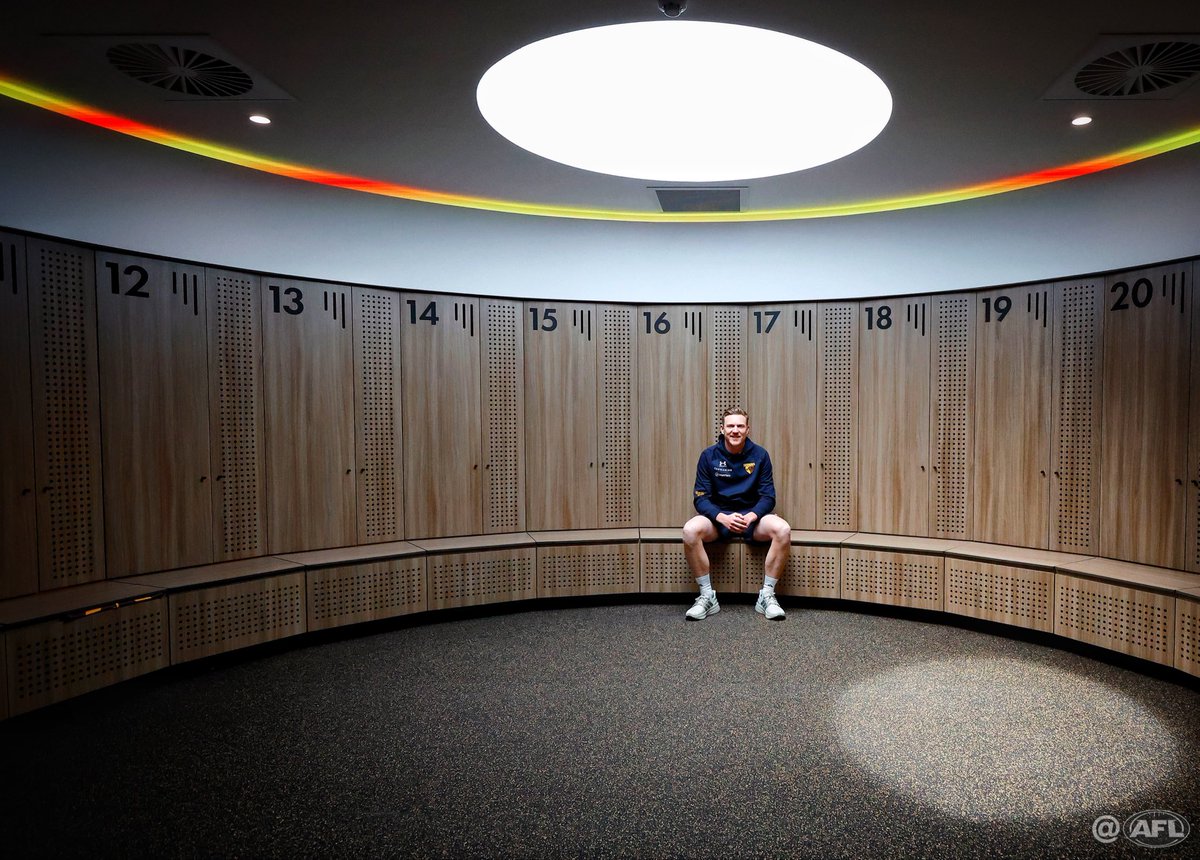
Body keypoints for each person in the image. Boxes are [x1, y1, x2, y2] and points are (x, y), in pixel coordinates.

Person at [681, 407, 791, 621]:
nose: (735, 430)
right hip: (718, 519)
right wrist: (721, 516)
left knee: (783, 529)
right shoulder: (708, 456)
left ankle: (767, 596)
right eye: (730, 426)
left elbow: (768, 497)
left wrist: (751, 516)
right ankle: (707, 597)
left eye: (740, 426)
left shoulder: (760, 455)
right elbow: (701, 497)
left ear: (747, 429)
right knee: (690, 530)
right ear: (722, 429)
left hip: (751, 519)